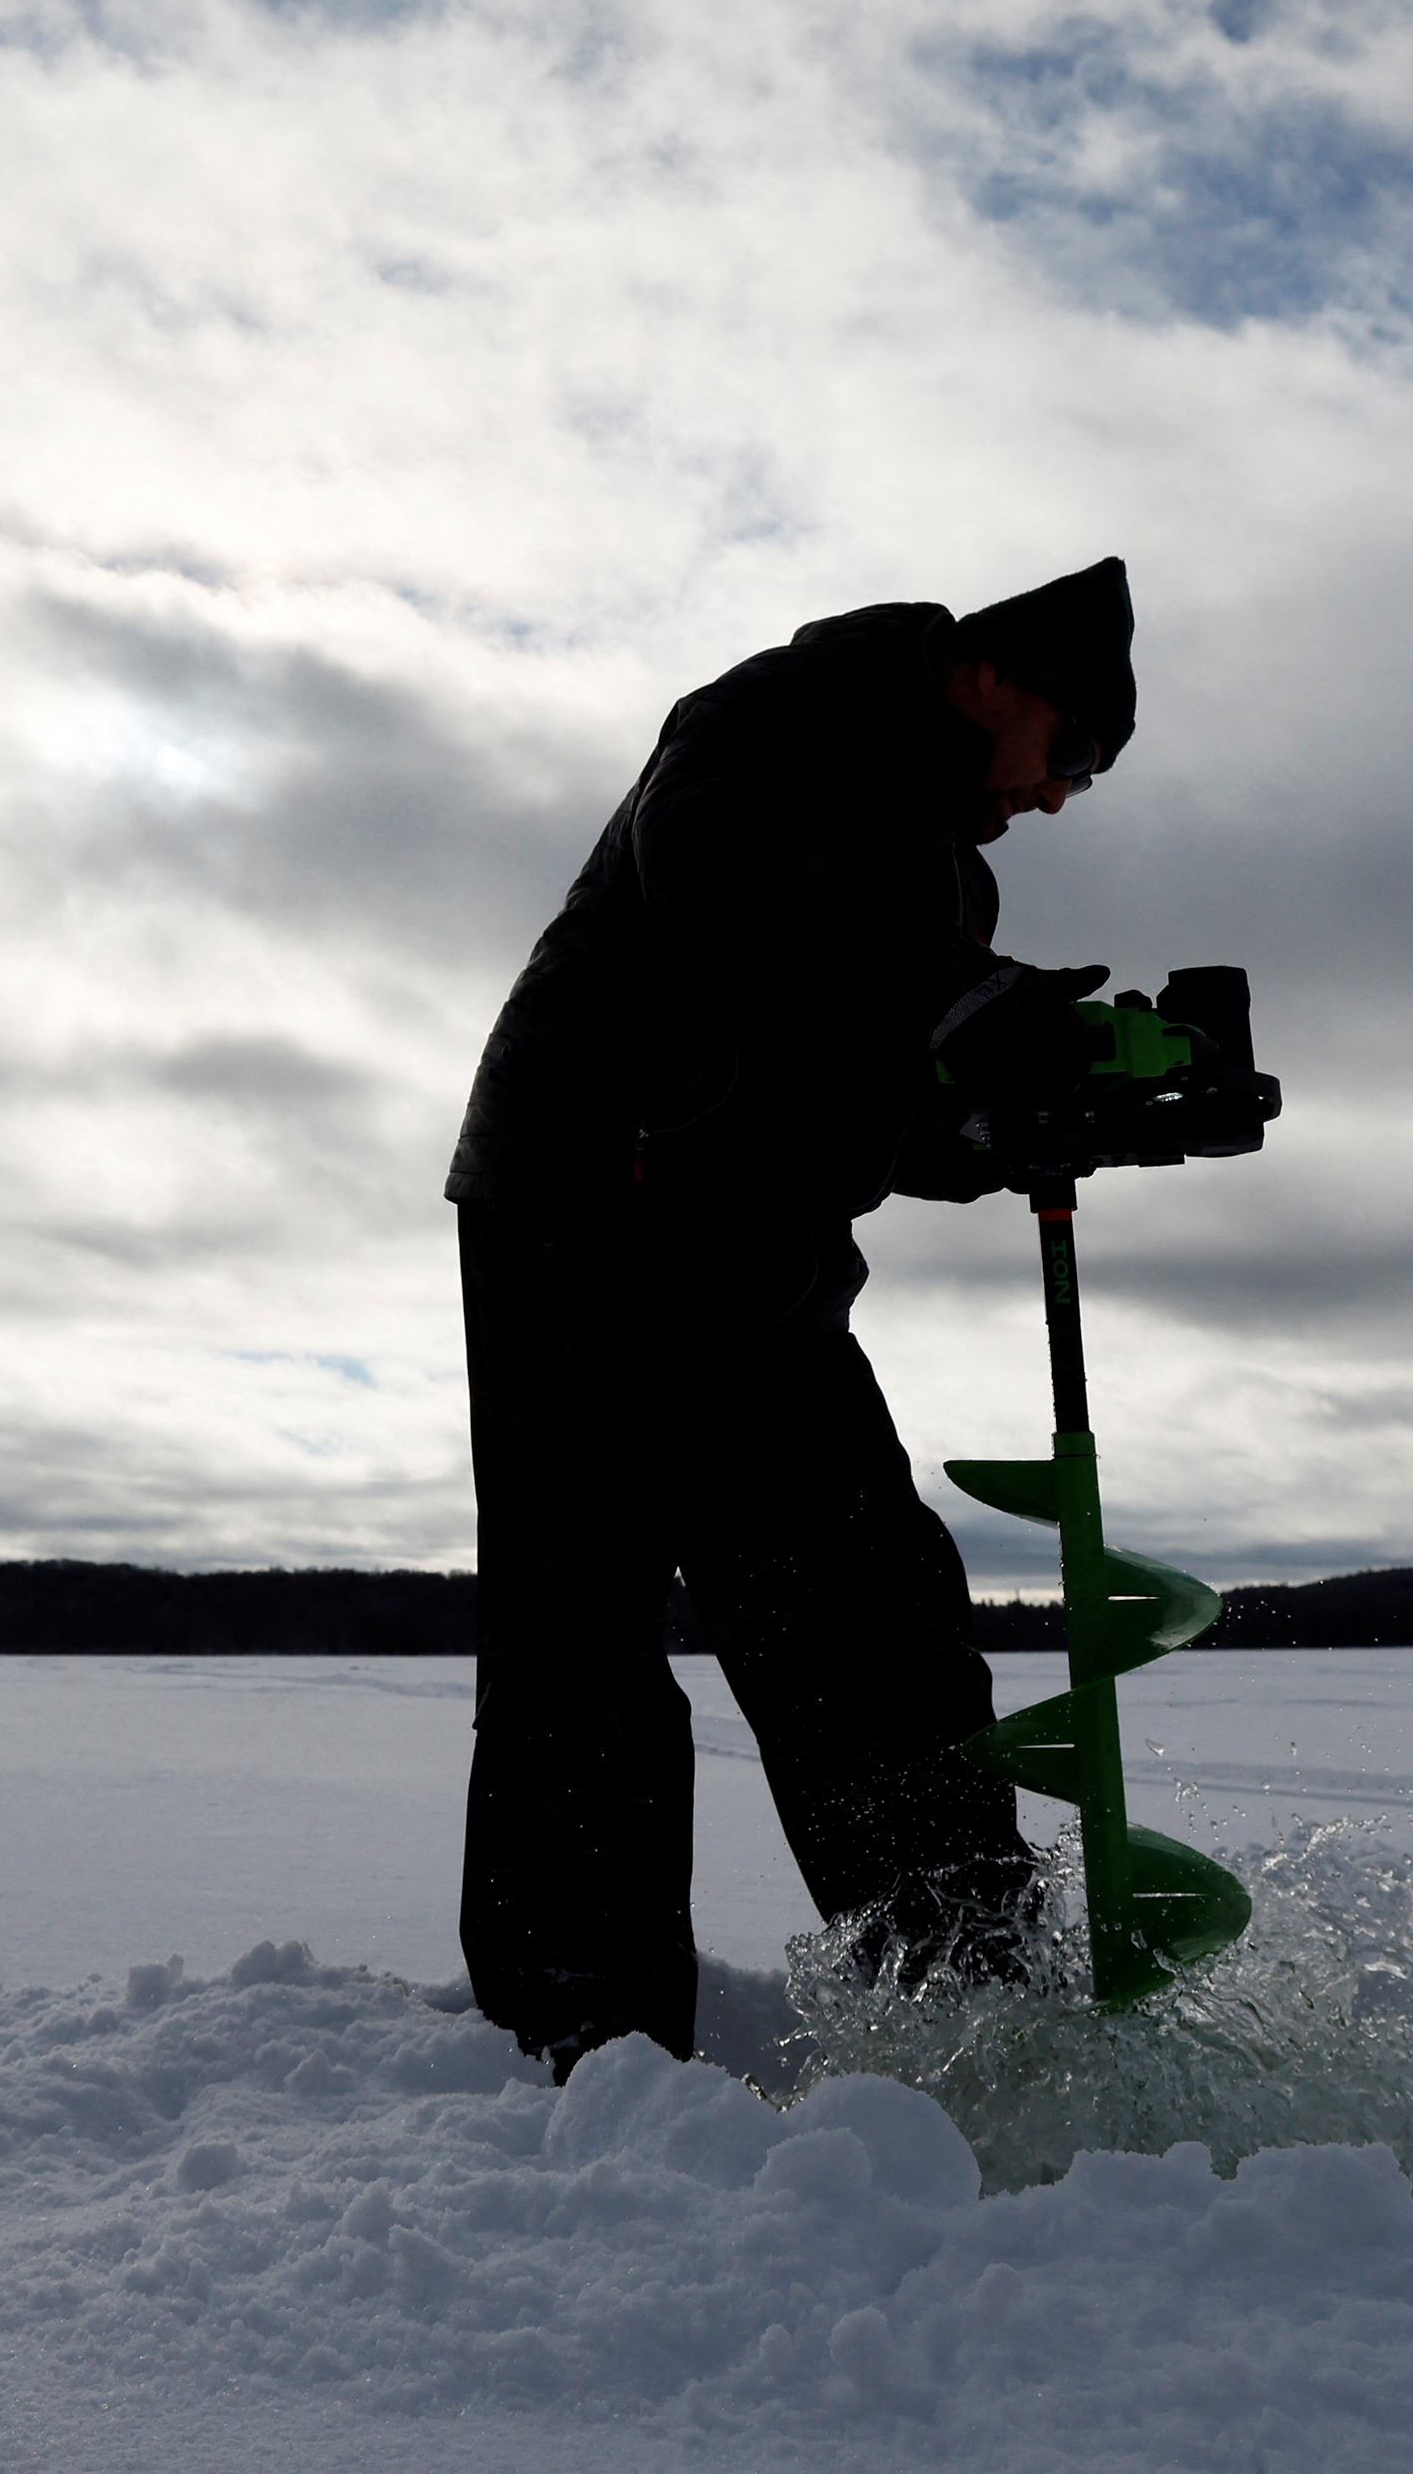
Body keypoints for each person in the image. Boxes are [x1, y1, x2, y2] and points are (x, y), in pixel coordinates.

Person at [443, 556, 1146, 2070]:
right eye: (1075, 752)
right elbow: (730, 870)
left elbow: (862, 1100)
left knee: (867, 1612)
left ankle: (963, 2002)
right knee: (584, 1639)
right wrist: (963, 1001)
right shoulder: (784, 717)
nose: (1067, 794)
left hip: (751, 1257)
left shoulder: (950, 882)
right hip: (580, 1208)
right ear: (990, 678)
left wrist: (1004, 1130)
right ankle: (580, 2040)